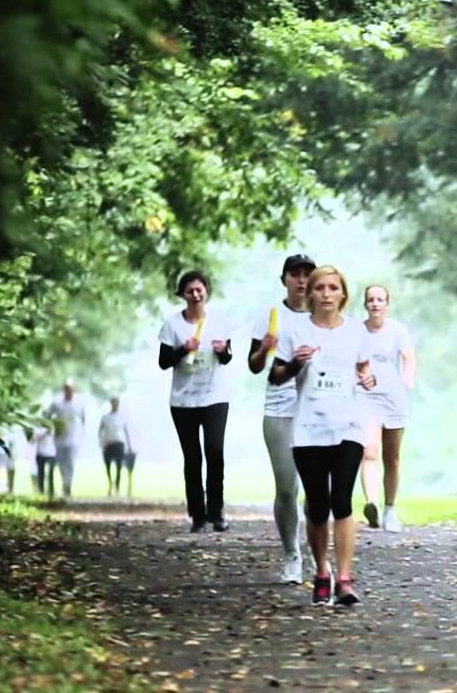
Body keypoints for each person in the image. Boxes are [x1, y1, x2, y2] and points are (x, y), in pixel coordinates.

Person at [270, 265, 378, 606]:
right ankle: (321, 570)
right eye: (320, 288)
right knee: (317, 506)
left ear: (343, 294)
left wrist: (367, 378)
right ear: (310, 294)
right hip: (308, 428)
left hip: (348, 425)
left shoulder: (357, 332)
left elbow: (362, 367)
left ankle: (345, 578)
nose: (327, 294)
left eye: (333, 288)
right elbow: (275, 376)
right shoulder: (295, 330)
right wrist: (295, 366)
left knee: (342, 501)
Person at [249, 254, 314, 582]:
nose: (301, 281)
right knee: (288, 488)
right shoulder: (271, 316)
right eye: (295, 275)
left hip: (318, 410)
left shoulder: (324, 316)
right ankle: (291, 553)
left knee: (318, 489)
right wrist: (265, 349)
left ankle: (318, 552)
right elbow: (254, 365)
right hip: (280, 408)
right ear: (284, 279)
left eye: (307, 274)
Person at [158, 270, 234, 531]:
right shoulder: (172, 325)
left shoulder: (220, 321)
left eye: (199, 289)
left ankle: (217, 511)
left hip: (215, 395)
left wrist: (223, 351)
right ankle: (197, 514)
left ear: (206, 292)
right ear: (183, 295)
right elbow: (163, 362)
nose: (195, 294)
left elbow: (227, 358)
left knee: (215, 451)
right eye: (189, 290)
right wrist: (183, 349)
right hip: (183, 400)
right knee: (193, 457)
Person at [357, 284, 417, 533]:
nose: (375, 304)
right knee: (369, 453)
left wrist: (407, 377)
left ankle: (390, 509)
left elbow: (410, 357)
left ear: (387, 304)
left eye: (380, 299)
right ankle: (371, 502)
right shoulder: (357, 331)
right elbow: (354, 361)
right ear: (365, 304)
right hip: (366, 396)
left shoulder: (397, 330)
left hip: (394, 398)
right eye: (371, 300)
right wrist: (361, 376)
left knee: (392, 458)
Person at [44, 380, 88, 500]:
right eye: (66, 389)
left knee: (71, 463)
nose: (69, 391)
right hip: (59, 438)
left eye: (70, 389)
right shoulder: (57, 402)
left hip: (74, 438)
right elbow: (47, 414)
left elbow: (83, 419)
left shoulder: (79, 403)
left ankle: (68, 485)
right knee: (61, 463)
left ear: (73, 390)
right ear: (64, 390)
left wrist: (82, 433)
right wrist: (49, 427)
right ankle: (65, 482)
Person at [99, 396, 133, 498]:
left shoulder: (122, 417)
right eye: (113, 403)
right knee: (108, 466)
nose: (115, 405)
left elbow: (126, 432)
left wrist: (129, 446)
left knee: (119, 467)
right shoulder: (105, 417)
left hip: (119, 444)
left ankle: (117, 487)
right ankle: (110, 484)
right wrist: (101, 443)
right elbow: (100, 431)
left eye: (116, 403)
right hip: (108, 444)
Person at [33, 424, 57, 499]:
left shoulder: (54, 426)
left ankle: (51, 491)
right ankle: (41, 491)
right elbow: (37, 439)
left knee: (51, 473)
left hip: (52, 454)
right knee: (41, 474)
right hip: (40, 453)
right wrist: (46, 433)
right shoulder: (38, 427)